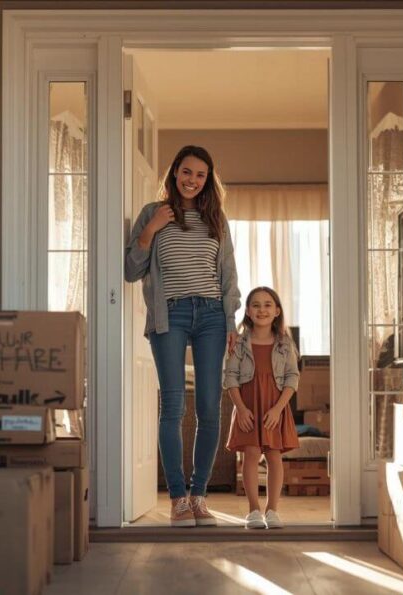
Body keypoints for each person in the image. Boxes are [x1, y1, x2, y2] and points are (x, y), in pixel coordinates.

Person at [124, 145, 240, 528]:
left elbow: (228, 276)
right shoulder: (152, 213)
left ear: (208, 180)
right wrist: (152, 230)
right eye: (186, 172)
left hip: (210, 314)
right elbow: (130, 269)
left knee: (209, 407)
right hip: (169, 313)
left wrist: (231, 321)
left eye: (201, 175)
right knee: (172, 407)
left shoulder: (216, 219)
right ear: (175, 172)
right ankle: (177, 498)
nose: (192, 180)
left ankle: (199, 495)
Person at [224, 286, 301, 529]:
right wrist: (241, 409)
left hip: (274, 407)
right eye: (256, 305)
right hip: (248, 406)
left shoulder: (285, 344)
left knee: (274, 456)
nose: (262, 309)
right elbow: (231, 377)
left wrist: (279, 409)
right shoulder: (239, 342)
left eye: (268, 304)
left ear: (277, 311)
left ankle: (272, 510)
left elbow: (292, 378)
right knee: (251, 454)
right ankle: (253, 510)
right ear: (247, 311)